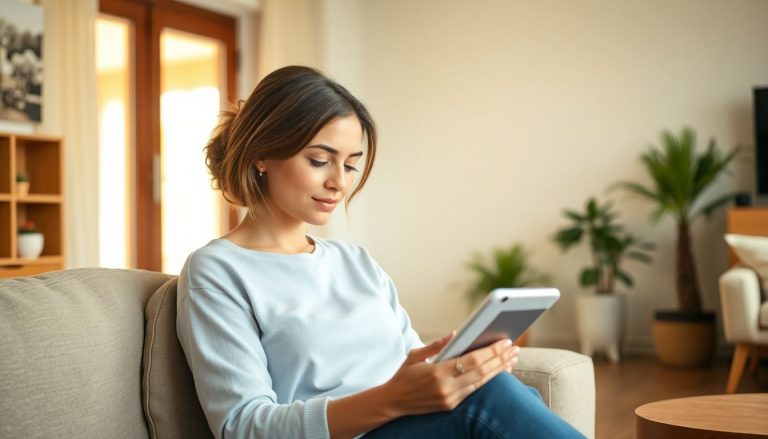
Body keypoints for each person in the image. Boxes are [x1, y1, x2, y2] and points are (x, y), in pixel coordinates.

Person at [176, 65, 586, 439]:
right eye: (320, 160)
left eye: (351, 165)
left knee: (501, 391)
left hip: (405, 427)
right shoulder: (218, 270)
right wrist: (395, 399)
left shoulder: (355, 262)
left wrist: (446, 371)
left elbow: (408, 369)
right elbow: (242, 427)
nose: (339, 182)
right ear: (261, 154)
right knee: (489, 403)